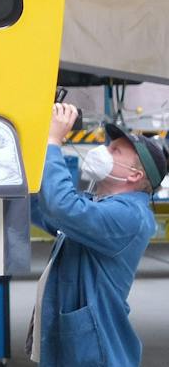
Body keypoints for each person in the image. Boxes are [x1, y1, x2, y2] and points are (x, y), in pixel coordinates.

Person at [28, 101, 167, 366]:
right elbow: (47, 210)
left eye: (114, 150)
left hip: (95, 353)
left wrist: (53, 141)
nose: (102, 152)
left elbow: (61, 207)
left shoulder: (130, 216)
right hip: (80, 350)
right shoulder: (100, 205)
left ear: (134, 175)